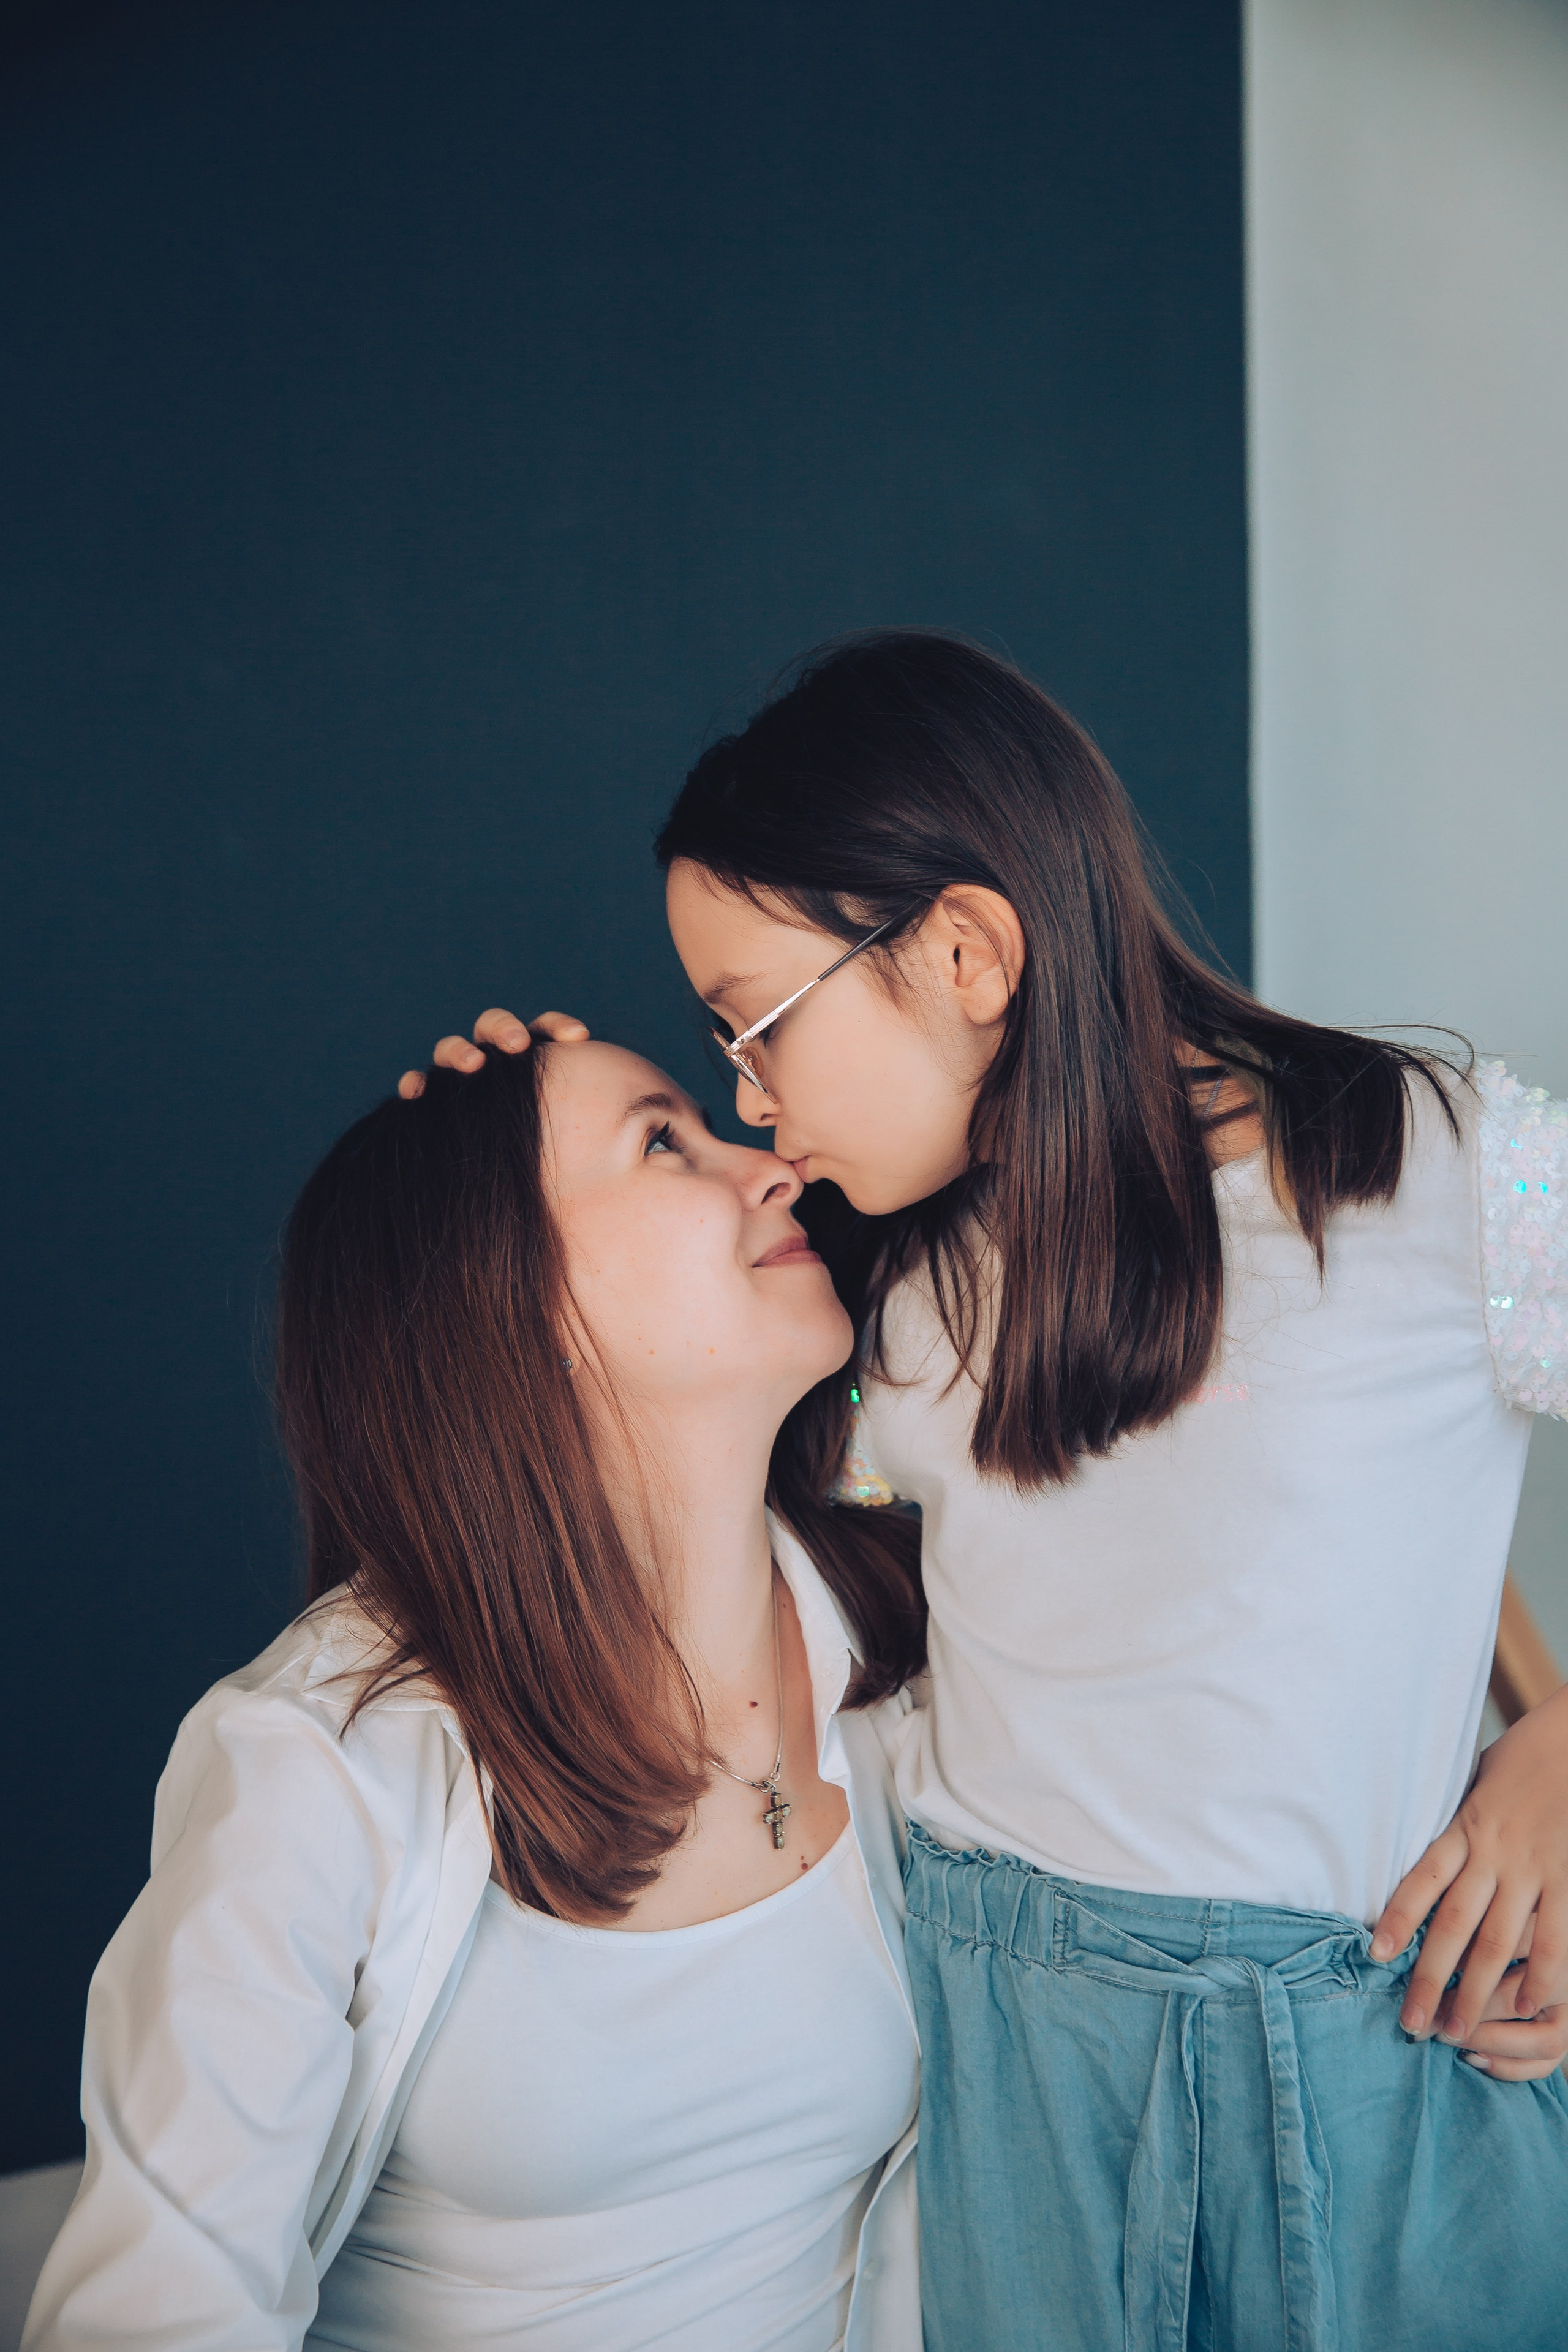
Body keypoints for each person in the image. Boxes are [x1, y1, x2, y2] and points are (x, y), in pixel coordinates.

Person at [426, 630, 1568, 2350]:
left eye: (758, 1027)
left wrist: (1556, 1746)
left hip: (1368, 2062)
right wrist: (497, 1174)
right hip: (1016, 2070)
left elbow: (1371, 1513)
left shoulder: (1447, 1167)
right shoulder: (889, 1288)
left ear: (963, 951)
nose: (748, 1098)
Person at [24, 1036, 926, 2352]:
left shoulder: (906, 1649)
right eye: (666, 1141)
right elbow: (156, 2316)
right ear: (513, 1305)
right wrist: (489, 1139)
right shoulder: (318, 1763)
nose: (774, 1164)